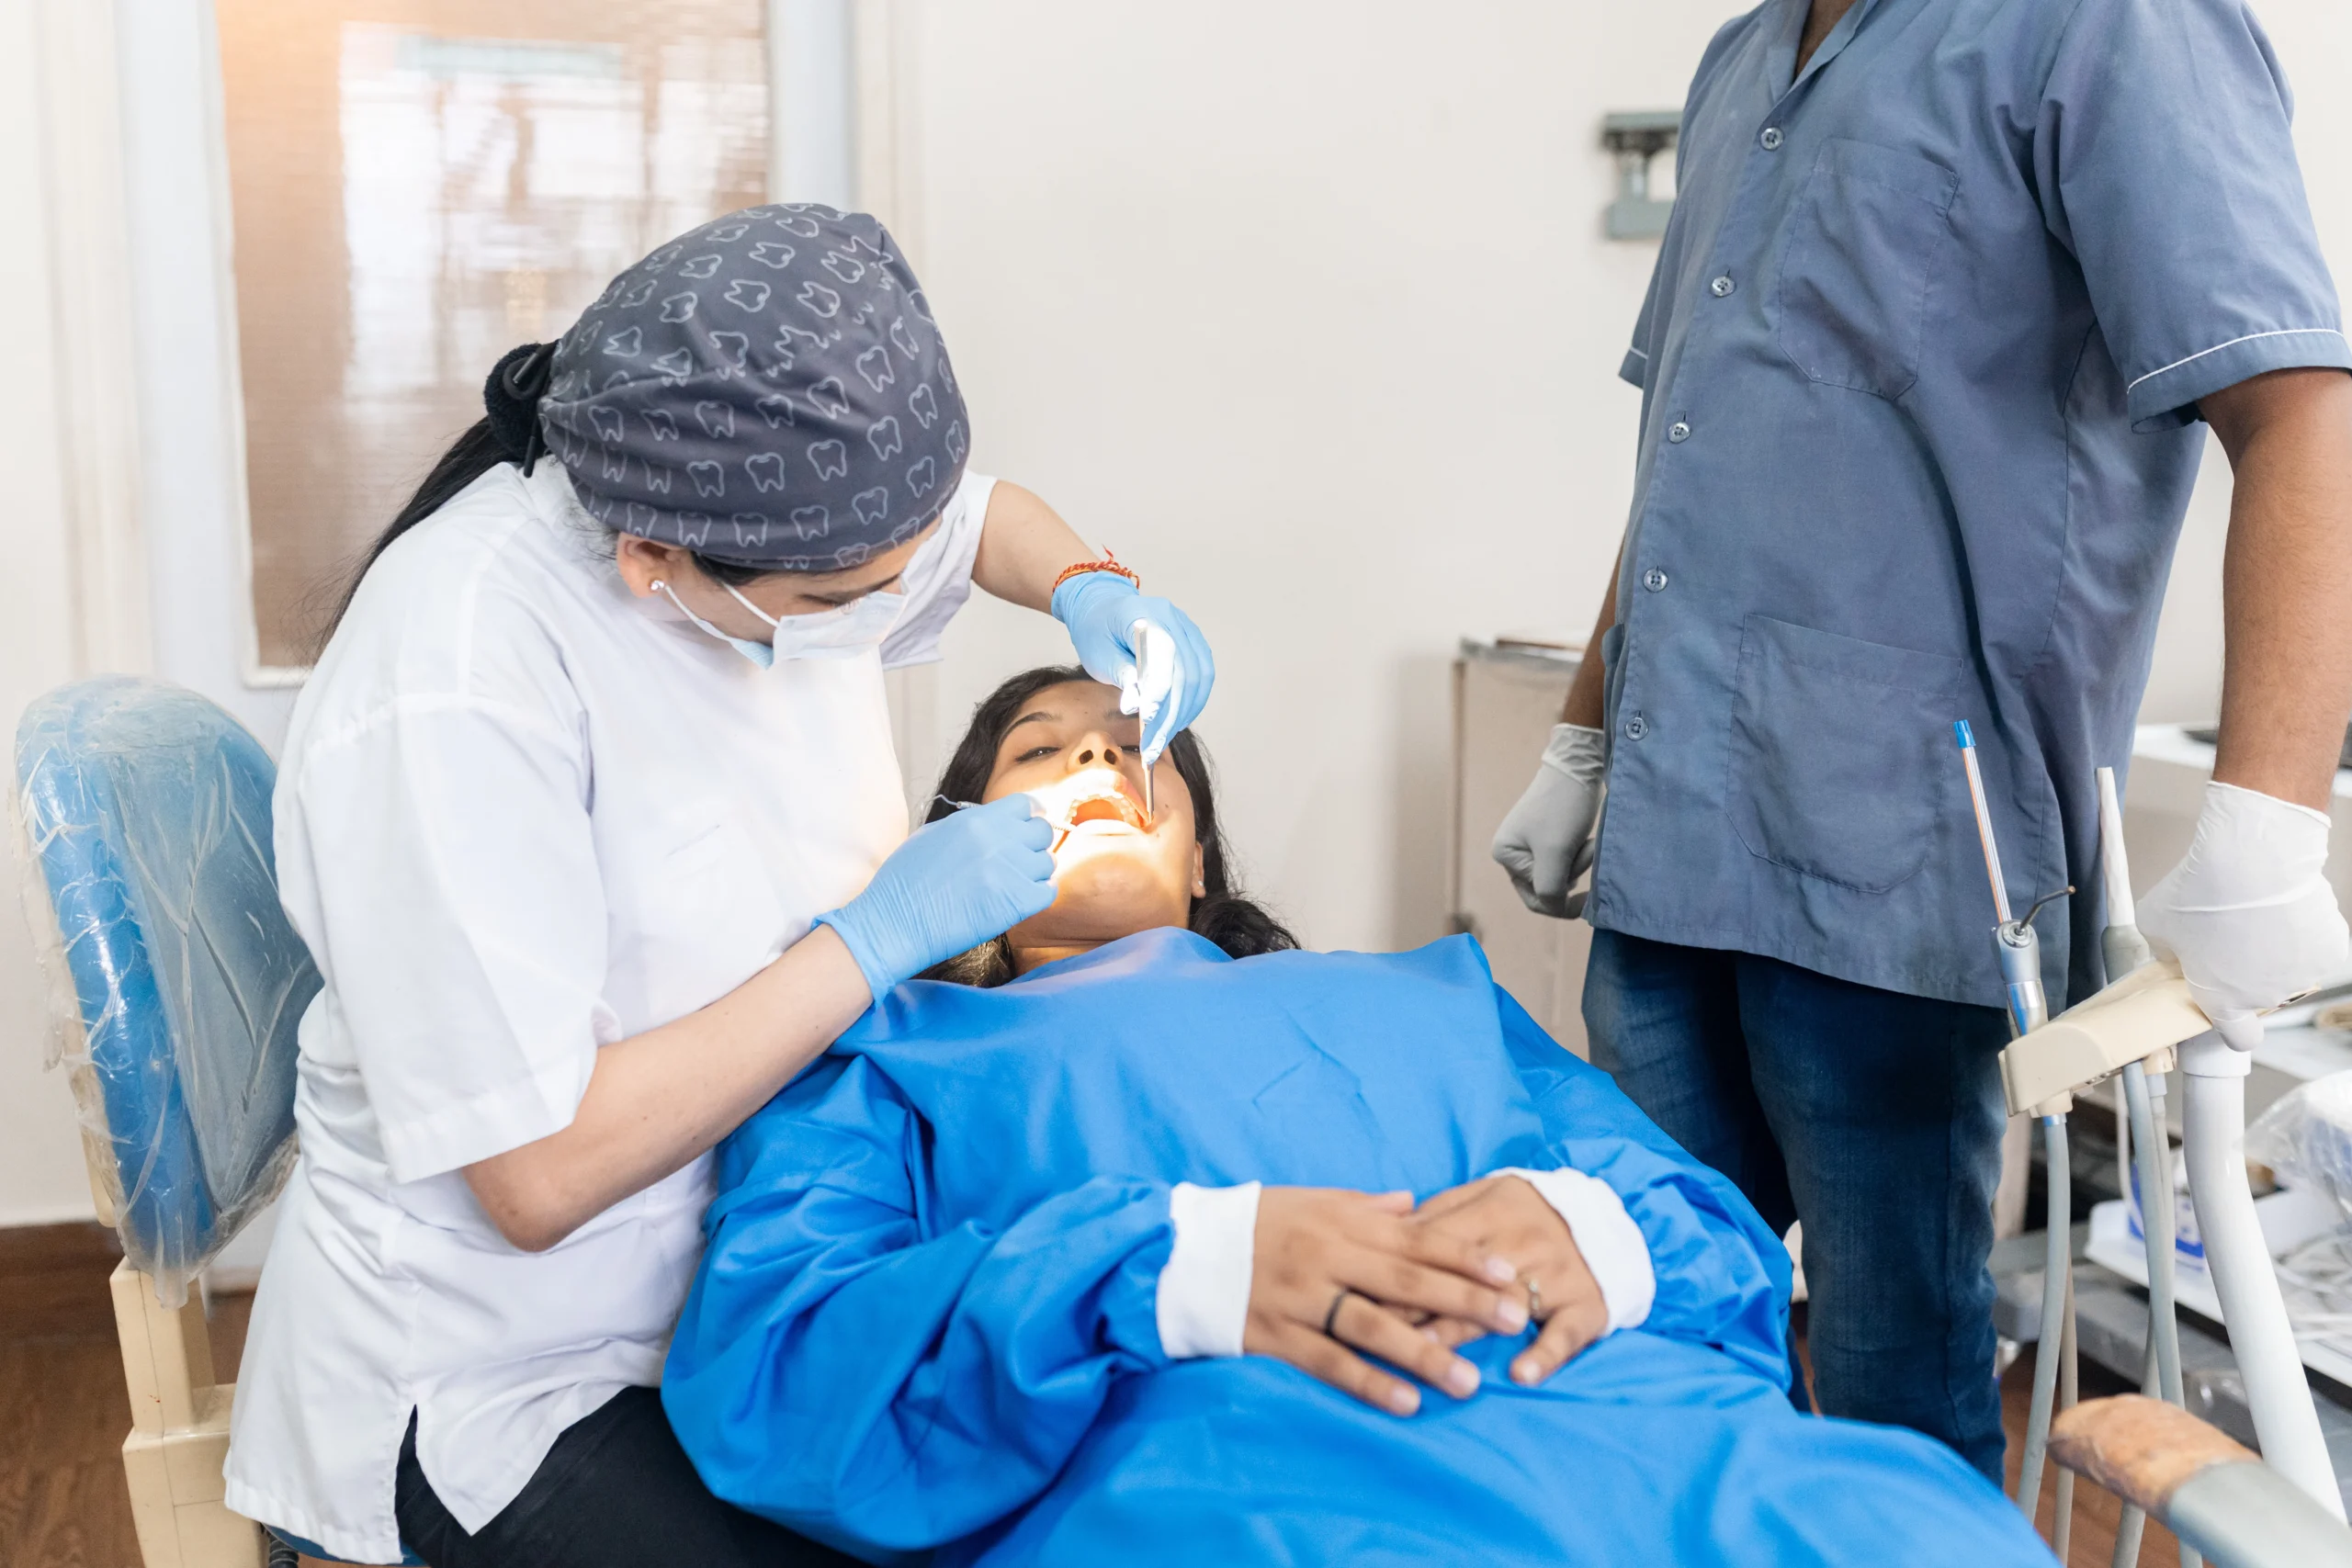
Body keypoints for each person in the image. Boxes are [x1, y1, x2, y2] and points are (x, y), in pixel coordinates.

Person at [221, 206, 1272, 1567]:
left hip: (758, 1297)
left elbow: (965, 523)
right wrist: (876, 939)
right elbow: (535, 1178)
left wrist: (1087, 583)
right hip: (520, 1375)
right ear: (651, 559)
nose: (894, 607)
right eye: (855, 598)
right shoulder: (459, 674)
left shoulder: (782, 509)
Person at [1491, 0, 2352, 1478]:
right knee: (1638, 1352)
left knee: (1894, 1403)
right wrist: (1584, 732)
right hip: (1671, 833)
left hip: (1901, 867)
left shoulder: (2108, 28)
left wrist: (2269, 824)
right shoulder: (1742, 62)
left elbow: (2299, 410)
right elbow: (1692, 454)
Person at [658, 667, 2054, 1567]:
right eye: (1043, 750)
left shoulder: (1430, 998)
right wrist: (1178, 1266)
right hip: (1243, 1487)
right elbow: (774, 1361)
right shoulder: (886, 1055)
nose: (1097, 764)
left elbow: (1710, 1230)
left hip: (1659, 1440)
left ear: (1197, 849)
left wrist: (1592, 1226)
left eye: (1134, 748)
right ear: (957, 833)